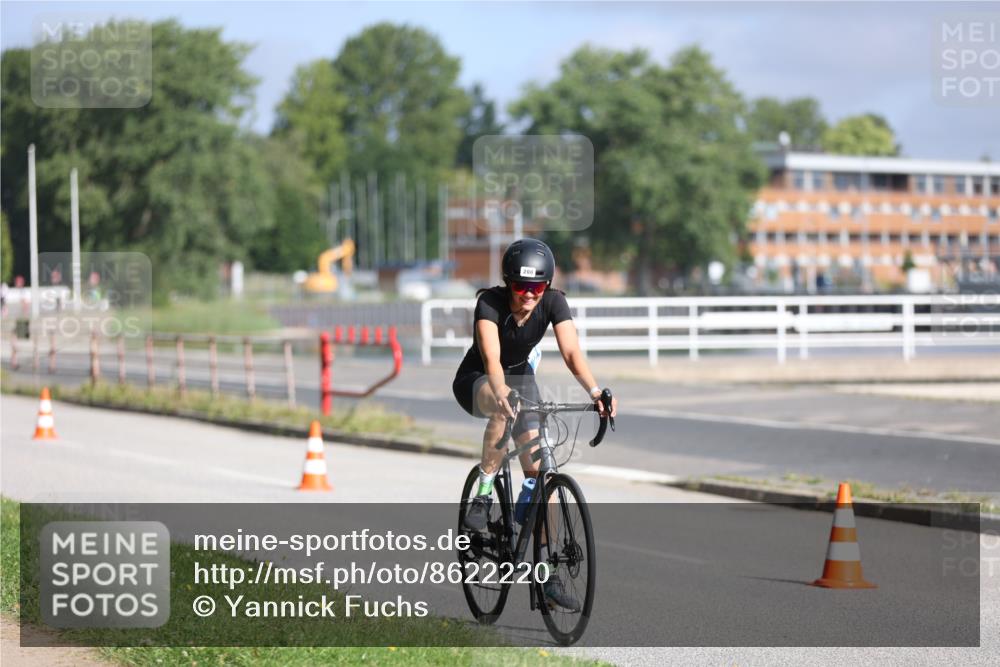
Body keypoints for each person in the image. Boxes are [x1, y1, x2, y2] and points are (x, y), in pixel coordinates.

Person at [452, 237, 617, 611]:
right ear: (508, 283)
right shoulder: (489, 303)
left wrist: (595, 392)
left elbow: (572, 352)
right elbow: (493, 361)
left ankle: (547, 574)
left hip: (522, 379)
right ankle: (483, 491)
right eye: (521, 286)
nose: (529, 294)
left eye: (537, 287)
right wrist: (502, 392)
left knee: (542, 476)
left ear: (547, 285)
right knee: (500, 407)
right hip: (478, 378)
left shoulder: (555, 302)